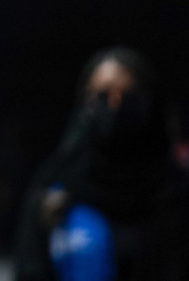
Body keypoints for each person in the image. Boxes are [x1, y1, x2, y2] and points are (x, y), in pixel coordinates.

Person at [13, 47, 189, 281]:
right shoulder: (53, 189)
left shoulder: (177, 194)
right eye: (102, 96)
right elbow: (29, 270)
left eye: (128, 96)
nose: (114, 107)